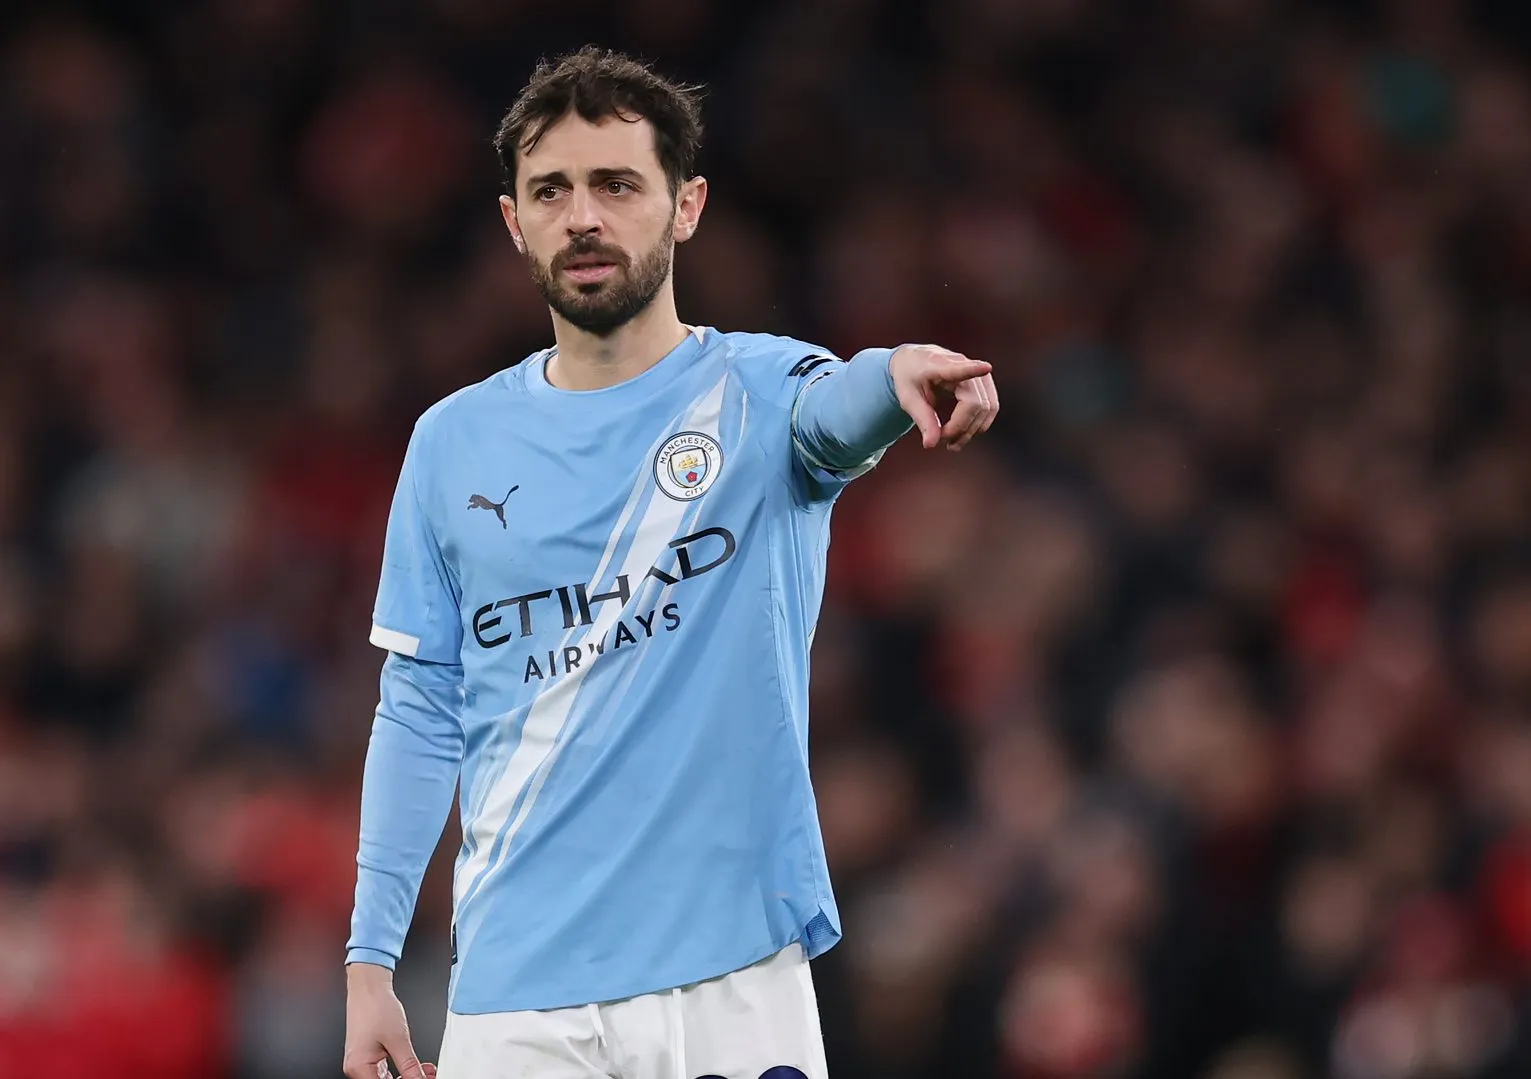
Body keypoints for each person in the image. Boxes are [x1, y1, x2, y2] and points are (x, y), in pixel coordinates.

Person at [341, 45, 998, 1079]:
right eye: (550, 191)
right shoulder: (450, 442)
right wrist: (370, 962)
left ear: (686, 205)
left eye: (616, 184)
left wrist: (894, 373)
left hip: (730, 975)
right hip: (516, 995)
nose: (582, 217)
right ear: (513, 221)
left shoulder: (757, 390)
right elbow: (421, 707)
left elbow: (837, 409)